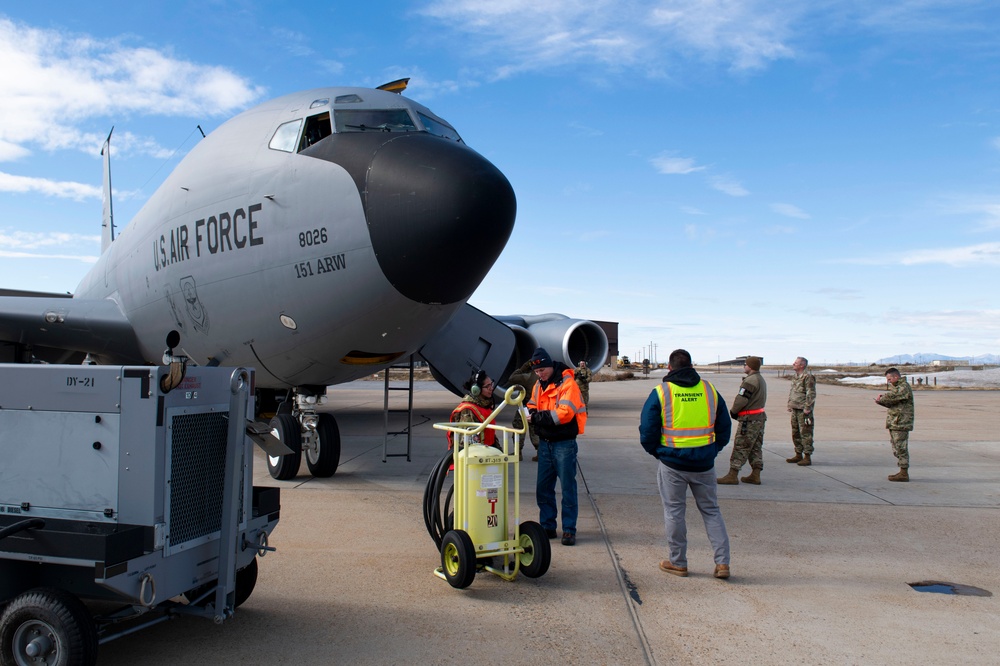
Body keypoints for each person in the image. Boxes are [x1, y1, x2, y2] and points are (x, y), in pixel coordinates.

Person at [639, 349, 733, 579]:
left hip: (672, 464)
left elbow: (647, 430)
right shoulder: (709, 389)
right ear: (691, 366)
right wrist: (712, 449)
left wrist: (659, 453)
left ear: (669, 368)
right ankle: (722, 564)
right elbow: (724, 427)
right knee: (711, 512)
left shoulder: (662, 392)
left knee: (674, 513)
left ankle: (678, 562)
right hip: (704, 463)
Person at [527, 347, 587, 546]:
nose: (540, 374)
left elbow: (564, 414)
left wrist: (536, 417)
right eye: (537, 372)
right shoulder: (539, 385)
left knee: (568, 489)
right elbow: (533, 403)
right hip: (545, 444)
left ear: (550, 365)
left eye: (542, 370)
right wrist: (530, 412)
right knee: (543, 489)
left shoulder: (567, 384)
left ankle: (569, 530)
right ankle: (548, 526)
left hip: (564, 444)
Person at [718, 356, 767, 485]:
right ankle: (756, 474)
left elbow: (741, 399)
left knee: (741, 445)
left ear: (750, 367)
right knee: (756, 446)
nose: (744, 366)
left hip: (749, 420)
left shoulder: (750, 381)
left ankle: (733, 474)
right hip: (759, 418)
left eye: (745, 364)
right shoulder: (760, 379)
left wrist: (733, 411)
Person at [874, 368, 914, 482]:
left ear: (896, 377)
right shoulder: (897, 388)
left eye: (890, 379)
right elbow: (893, 403)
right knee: (896, 447)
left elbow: (893, 396)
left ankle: (904, 472)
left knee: (901, 447)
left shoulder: (903, 387)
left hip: (901, 423)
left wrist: (883, 398)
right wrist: (880, 402)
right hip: (896, 422)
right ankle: (902, 471)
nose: (889, 381)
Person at [448, 369, 498, 450]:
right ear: (476, 390)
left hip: (487, 451)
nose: (491, 388)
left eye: (491, 384)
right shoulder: (468, 410)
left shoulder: (484, 406)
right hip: (476, 454)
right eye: (487, 386)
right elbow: (466, 442)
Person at [507, 360, 540, 460]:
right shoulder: (544, 377)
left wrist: (524, 367)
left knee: (518, 428)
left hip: (525, 407)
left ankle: (518, 453)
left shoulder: (528, 377)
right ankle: (540, 452)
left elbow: (512, 378)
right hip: (539, 408)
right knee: (536, 430)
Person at [786, 356, 816, 466]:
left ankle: (807, 456)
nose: (793, 364)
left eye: (796, 363)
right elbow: (793, 391)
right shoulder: (795, 377)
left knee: (806, 433)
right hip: (795, 408)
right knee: (796, 432)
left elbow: (811, 393)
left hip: (804, 410)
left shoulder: (807, 377)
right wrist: (790, 404)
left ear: (802, 365)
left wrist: (808, 408)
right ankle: (798, 454)